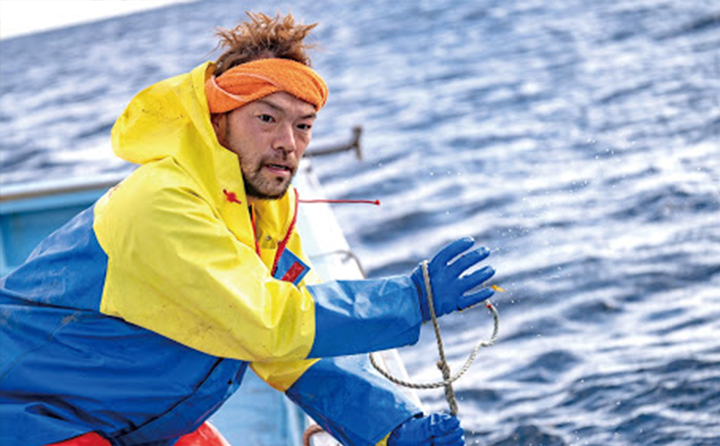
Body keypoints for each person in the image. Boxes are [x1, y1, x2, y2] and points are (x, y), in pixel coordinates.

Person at [0, 12, 497, 446]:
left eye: (303, 126)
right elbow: (266, 323)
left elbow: (291, 354)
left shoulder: (266, 212)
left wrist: (388, 428)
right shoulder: (163, 203)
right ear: (218, 122)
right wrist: (409, 298)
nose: (288, 143)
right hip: (28, 417)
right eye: (267, 118)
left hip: (128, 419)